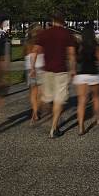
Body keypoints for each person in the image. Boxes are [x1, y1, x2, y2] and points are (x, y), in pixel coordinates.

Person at [30, 11, 77, 139]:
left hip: (47, 71)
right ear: (63, 20)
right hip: (61, 70)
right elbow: (71, 54)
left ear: (52, 20)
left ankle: (50, 117)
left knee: (50, 98)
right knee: (59, 99)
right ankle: (54, 127)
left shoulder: (44, 33)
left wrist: (32, 67)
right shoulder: (67, 34)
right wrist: (73, 69)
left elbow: (35, 50)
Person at [73, 24, 99, 135]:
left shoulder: (79, 45)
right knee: (96, 97)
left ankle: (81, 126)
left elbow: (75, 59)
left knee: (81, 101)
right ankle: (98, 119)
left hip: (81, 74)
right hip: (94, 73)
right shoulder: (95, 45)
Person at [24, 23, 44, 124]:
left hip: (29, 67)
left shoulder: (27, 43)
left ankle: (35, 112)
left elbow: (26, 54)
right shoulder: (42, 42)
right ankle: (37, 111)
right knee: (41, 92)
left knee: (33, 92)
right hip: (40, 66)